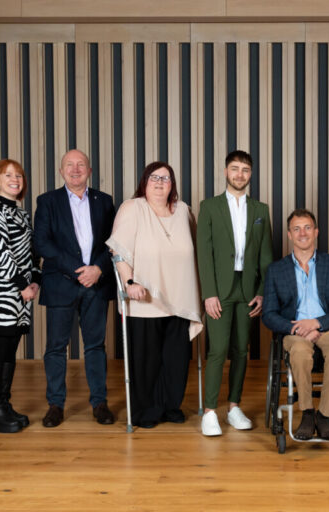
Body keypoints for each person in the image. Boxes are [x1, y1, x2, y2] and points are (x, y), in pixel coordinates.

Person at [107, 162, 203, 428]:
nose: (160, 183)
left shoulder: (184, 211)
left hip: (180, 297)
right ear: (144, 182)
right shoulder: (133, 208)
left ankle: (171, 406)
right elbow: (118, 250)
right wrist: (129, 281)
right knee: (146, 360)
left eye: (166, 178)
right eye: (154, 178)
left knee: (176, 360)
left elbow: (198, 248)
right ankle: (146, 410)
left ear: (173, 184)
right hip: (145, 299)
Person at [33, 149, 116, 427]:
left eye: (81, 164)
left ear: (90, 171)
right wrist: (77, 270)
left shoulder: (104, 201)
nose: (76, 169)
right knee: (56, 347)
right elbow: (42, 243)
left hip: (96, 283)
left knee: (95, 346)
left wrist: (99, 269)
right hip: (60, 284)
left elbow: (115, 241)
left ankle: (100, 403)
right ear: (61, 171)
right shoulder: (47, 201)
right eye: (70, 164)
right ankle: (55, 404)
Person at [263, 209, 329, 440]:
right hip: (294, 330)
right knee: (299, 354)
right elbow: (268, 314)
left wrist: (318, 323)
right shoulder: (276, 270)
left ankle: (324, 415)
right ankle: (307, 412)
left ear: (316, 232)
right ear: (289, 234)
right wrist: (296, 328)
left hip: (327, 326)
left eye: (307, 228)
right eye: (296, 229)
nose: (302, 233)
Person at [196, 150, 273, 436]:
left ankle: (233, 406)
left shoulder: (261, 210)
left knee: (242, 350)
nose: (240, 174)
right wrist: (209, 293)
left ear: (251, 174)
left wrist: (263, 291)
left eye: (245, 170)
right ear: (226, 171)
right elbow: (204, 254)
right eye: (235, 169)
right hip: (220, 288)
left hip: (248, 289)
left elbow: (266, 255)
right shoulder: (209, 207)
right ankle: (209, 411)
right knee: (218, 350)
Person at [0, 159, 41, 433]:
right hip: (0, 292)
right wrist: (21, 284)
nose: (15, 179)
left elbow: (30, 252)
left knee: (9, 347)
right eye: (8, 175)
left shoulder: (20, 214)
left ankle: (2, 407)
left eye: (18, 175)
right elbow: (0, 253)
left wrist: (35, 280)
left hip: (20, 292)